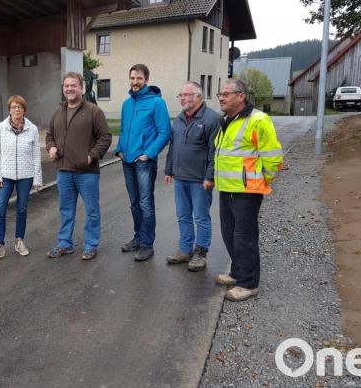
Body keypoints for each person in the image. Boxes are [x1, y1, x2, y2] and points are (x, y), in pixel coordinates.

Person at [213, 78, 283, 301]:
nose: (221, 98)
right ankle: (237, 273)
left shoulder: (259, 120)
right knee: (229, 233)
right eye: (220, 94)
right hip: (227, 188)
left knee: (245, 237)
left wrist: (263, 182)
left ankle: (249, 283)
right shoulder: (227, 120)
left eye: (226, 94)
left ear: (241, 96)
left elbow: (272, 157)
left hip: (247, 190)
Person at [46, 72, 112, 261]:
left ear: (81, 88)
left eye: (73, 85)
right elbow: (49, 135)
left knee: (92, 210)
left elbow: (105, 137)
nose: (69, 89)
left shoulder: (93, 111)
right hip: (64, 171)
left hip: (87, 172)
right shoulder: (58, 112)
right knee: (66, 211)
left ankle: (91, 245)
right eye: (66, 86)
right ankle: (64, 244)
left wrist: (91, 156)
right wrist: (50, 147)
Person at [114, 64, 171, 261]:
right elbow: (123, 130)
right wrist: (119, 149)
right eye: (132, 78)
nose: (135, 82)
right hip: (127, 160)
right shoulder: (126, 104)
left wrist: (149, 154)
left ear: (146, 80)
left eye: (139, 78)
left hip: (144, 162)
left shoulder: (157, 103)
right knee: (134, 203)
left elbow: (165, 132)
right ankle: (138, 237)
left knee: (146, 203)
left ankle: (147, 244)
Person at [164, 81, 220, 271]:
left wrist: (210, 177)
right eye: (180, 95)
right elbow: (173, 147)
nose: (182, 99)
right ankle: (185, 249)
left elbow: (215, 152)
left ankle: (200, 253)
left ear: (198, 96)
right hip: (180, 178)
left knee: (201, 218)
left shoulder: (211, 119)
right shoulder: (179, 119)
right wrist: (169, 170)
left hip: (200, 180)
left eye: (186, 95)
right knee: (183, 216)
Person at [0, 95, 43, 263]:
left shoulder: (32, 129)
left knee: (22, 209)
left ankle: (19, 241)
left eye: (20, 107)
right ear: (9, 110)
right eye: (13, 106)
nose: (17, 109)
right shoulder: (2, 128)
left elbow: (36, 155)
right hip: (5, 176)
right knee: (0, 210)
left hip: (26, 176)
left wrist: (37, 178)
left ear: (24, 110)